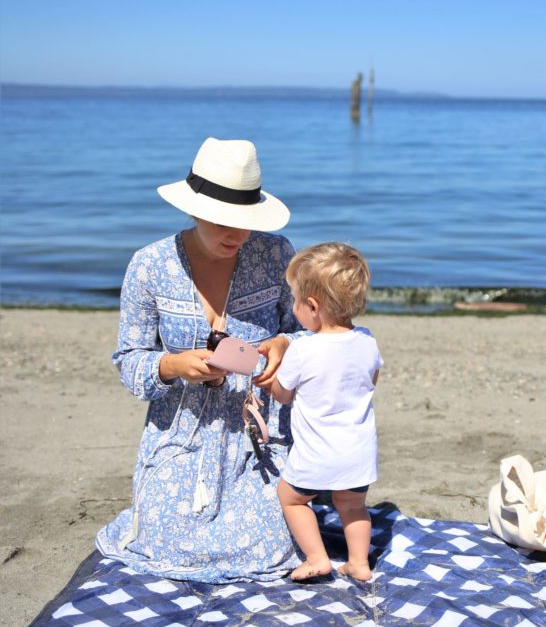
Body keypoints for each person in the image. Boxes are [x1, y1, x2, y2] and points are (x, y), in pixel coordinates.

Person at [96, 137, 303, 583]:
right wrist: (172, 367)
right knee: (163, 540)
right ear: (193, 208)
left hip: (258, 440)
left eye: (247, 221)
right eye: (226, 221)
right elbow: (130, 361)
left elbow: (307, 331)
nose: (240, 234)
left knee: (270, 543)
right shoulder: (150, 265)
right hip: (179, 434)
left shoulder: (275, 254)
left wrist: (285, 345)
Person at [270, 242, 383, 582]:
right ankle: (359, 564)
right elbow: (371, 379)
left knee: (291, 498)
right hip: (359, 452)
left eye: (295, 300)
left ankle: (318, 557)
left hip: (317, 453)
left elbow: (283, 395)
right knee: (352, 507)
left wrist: (270, 382)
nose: (293, 307)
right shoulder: (367, 341)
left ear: (313, 306)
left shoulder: (303, 349)